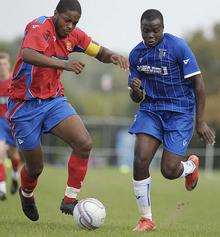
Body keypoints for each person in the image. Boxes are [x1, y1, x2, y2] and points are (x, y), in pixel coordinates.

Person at [7, 0, 128, 222]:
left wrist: (113, 56)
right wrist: (64, 64)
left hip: (54, 101)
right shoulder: (40, 27)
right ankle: (26, 193)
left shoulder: (75, 35)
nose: (70, 26)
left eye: (75, 22)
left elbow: (97, 51)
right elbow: (27, 54)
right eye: (67, 20)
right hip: (24, 105)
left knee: (84, 143)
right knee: (35, 168)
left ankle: (70, 198)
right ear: (56, 15)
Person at [128, 9, 215, 232]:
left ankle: (190, 166)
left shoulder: (178, 47)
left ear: (162, 29)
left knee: (169, 170)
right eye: (146, 31)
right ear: (140, 29)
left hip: (180, 112)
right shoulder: (136, 55)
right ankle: (146, 219)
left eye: (155, 31)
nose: (150, 36)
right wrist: (136, 91)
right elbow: (136, 97)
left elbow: (199, 85)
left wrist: (200, 121)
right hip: (152, 110)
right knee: (140, 160)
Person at [0, 52, 21, 200]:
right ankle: (2, 189)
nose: (2, 67)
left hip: (13, 123)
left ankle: (15, 175)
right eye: (0, 64)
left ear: (9, 64)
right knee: (0, 152)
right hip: (0, 123)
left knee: (14, 155)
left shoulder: (15, 81)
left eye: (4, 64)